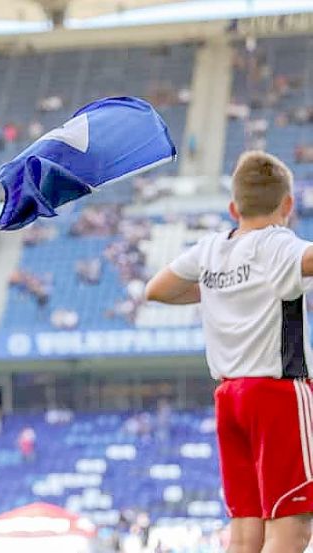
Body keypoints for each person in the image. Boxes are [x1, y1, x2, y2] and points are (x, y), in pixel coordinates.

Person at [146, 151, 313, 553]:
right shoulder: (276, 243)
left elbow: (157, 289)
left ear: (233, 207)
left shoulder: (210, 249)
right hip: (277, 395)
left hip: (229, 399)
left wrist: (221, 291)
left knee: (245, 530)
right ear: (287, 205)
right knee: (292, 527)